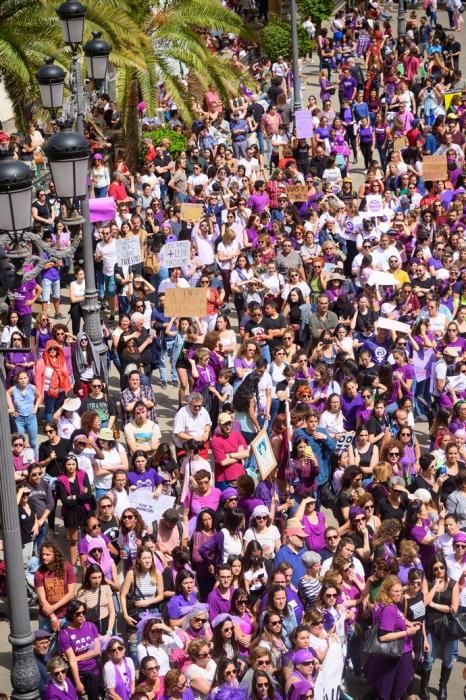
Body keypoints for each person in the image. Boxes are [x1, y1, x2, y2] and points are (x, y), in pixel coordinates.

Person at [58, 599, 102, 700]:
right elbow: (71, 661)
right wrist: (78, 682)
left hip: (93, 670)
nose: (82, 615)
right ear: (71, 615)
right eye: (78, 613)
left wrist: (76, 658)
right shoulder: (65, 634)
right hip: (78, 673)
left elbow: (96, 651)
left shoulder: (91, 626)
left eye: (84, 612)